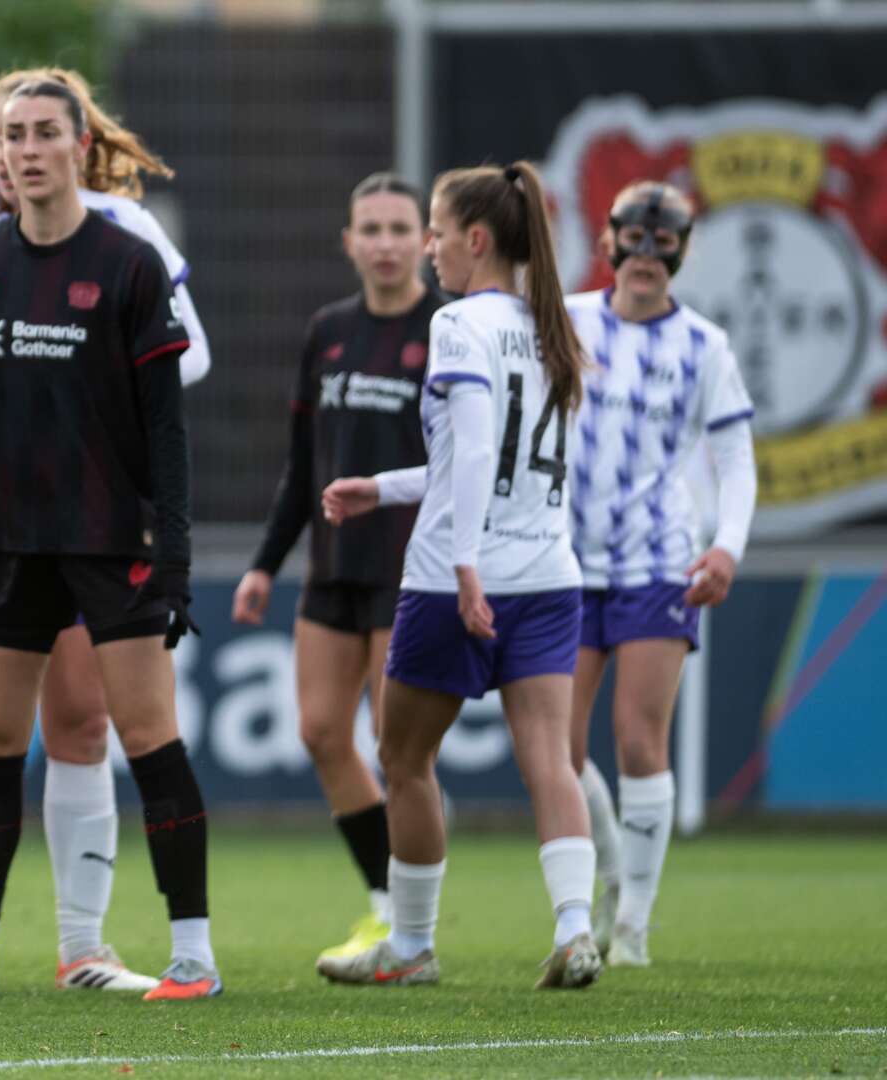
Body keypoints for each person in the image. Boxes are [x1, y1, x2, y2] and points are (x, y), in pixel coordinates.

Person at [0, 78, 219, 1002]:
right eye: (11, 137)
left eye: (43, 135)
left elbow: (169, 429)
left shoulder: (129, 259)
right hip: (10, 539)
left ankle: (192, 954)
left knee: (145, 737)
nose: (24, 151)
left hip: (115, 539)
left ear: (79, 145)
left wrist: (175, 550)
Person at [316, 161, 601, 990]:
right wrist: (385, 487)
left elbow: (478, 451)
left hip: (454, 578)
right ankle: (577, 930)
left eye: (435, 232)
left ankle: (412, 945)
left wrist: (468, 563)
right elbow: (495, 462)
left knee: (402, 759)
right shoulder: (554, 326)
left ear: (475, 240)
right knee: (550, 759)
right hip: (548, 569)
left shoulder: (457, 325)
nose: (429, 249)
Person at [232, 173, 442, 965]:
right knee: (322, 732)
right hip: (331, 569)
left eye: (399, 227)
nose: (385, 242)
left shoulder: (446, 328)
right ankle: (387, 903)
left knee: (397, 747)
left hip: (410, 569)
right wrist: (263, 564)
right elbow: (301, 464)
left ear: (427, 239)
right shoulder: (327, 331)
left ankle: (414, 919)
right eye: (370, 228)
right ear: (348, 240)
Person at [564, 181, 755, 968]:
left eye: (665, 239)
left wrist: (727, 546)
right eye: (633, 238)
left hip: (658, 563)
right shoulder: (566, 321)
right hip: (563, 564)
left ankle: (635, 923)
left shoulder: (705, 346)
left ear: (683, 248)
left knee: (641, 741)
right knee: (559, 752)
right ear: (607, 241)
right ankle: (613, 871)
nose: (647, 255)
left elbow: (738, 460)